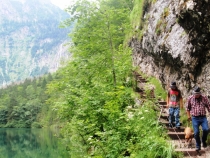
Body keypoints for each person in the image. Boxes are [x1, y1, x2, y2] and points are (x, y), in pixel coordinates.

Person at [186, 86, 210, 151]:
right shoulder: (190, 98)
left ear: (200, 93)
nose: (196, 95)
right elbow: (187, 108)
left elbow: (208, 106)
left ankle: (203, 140)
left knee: (206, 129)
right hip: (195, 118)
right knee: (196, 132)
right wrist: (188, 116)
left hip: (203, 117)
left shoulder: (204, 98)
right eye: (195, 94)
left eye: (197, 94)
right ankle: (198, 145)